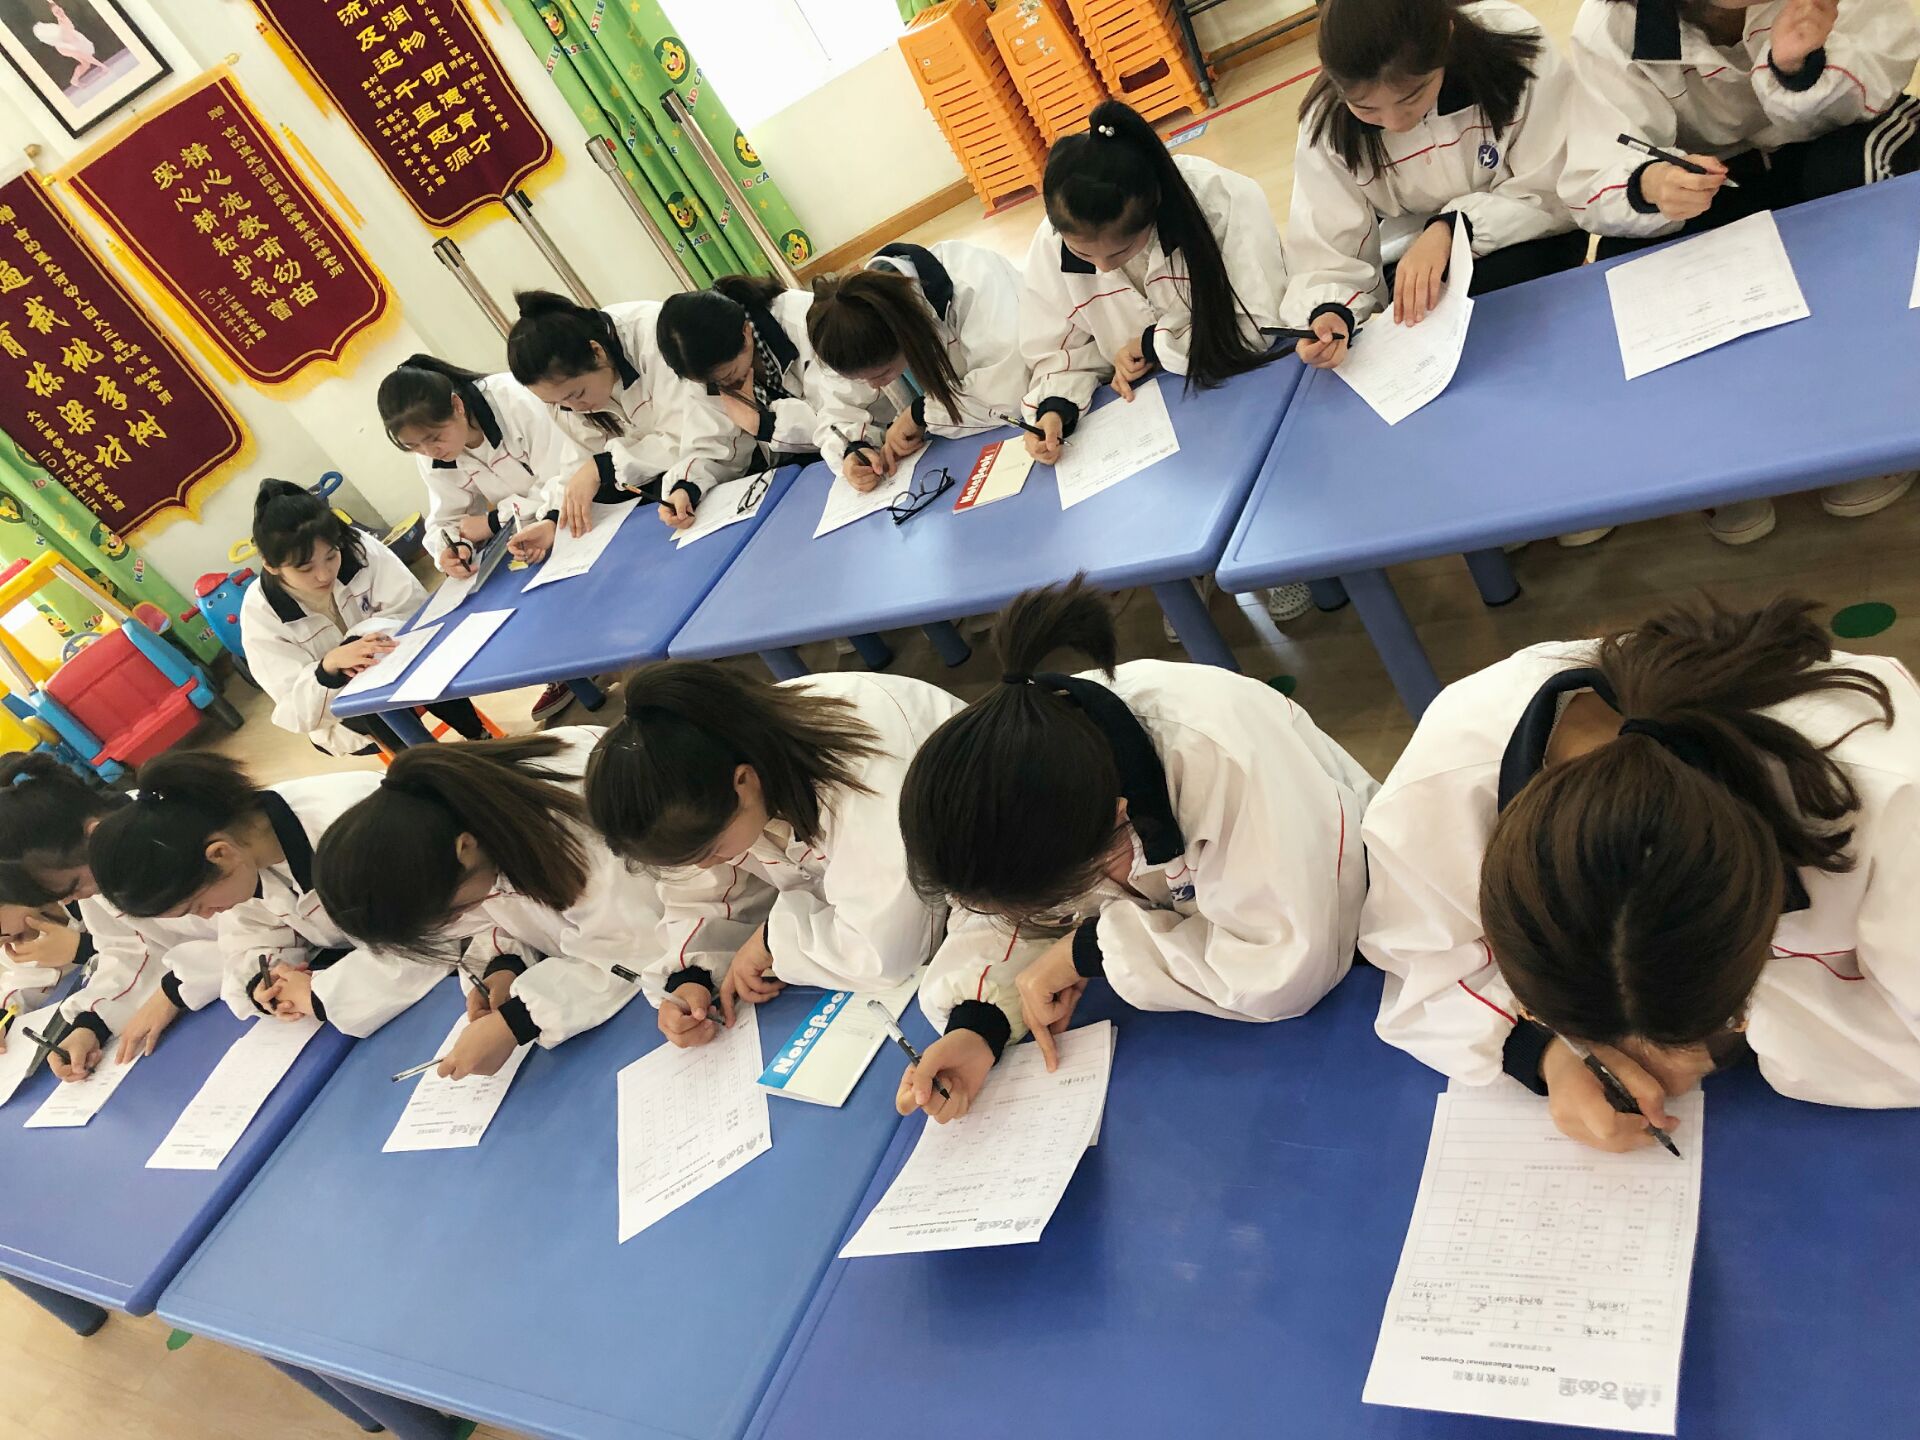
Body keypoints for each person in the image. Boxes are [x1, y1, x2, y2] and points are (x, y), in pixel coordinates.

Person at [1361, 597, 1920, 1151]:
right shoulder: (1442, 782)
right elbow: (1419, 965)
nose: (1640, 1060)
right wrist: (1548, 1053)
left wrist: (1725, 1043)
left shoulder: (1895, 794)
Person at [894, 578, 1378, 1121]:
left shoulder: (1221, 760)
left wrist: (1090, 949)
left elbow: (1286, 969)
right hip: (1198, 948)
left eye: (1054, 902)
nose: (1034, 919)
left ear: (1118, 817)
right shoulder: (1031, 777)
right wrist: (977, 1026)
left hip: (1357, 929)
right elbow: (998, 904)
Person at [1556, 0, 1920, 543]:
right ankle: (1723, 449)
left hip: (1835, 134)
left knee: (1873, 185)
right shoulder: (1612, 26)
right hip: (1714, 175)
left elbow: (1881, 79)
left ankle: (1884, 411)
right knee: (1629, 258)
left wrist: (1798, 69)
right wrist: (1650, 182)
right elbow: (1595, 167)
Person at [1018, 100, 1309, 623]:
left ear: (1151, 211)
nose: (1102, 269)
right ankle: (1188, 563)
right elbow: (1057, 350)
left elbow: (1255, 326)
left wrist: (1157, 345)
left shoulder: (1222, 199)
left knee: (1253, 458)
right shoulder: (1052, 245)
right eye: (1085, 256)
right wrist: (1055, 407)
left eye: (1120, 251)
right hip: (1155, 403)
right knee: (1161, 486)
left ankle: (1275, 544)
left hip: (1242, 377)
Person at [583, 663, 963, 1048]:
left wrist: (771, 940)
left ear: (744, 782)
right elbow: (704, 890)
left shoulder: (864, 776)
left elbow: (885, 953)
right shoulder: (714, 761)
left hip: (981, 889)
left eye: (710, 851)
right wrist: (690, 978)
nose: (706, 866)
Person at [315, 730, 662, 1077]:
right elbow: (502, 909)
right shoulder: (455, 825)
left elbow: (637, 949)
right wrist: (504, 963)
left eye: (451, 914)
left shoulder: (581, 838)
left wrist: (519, 1020)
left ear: (464, 848)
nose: (458, 922)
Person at [1286, 0, 1586, 352]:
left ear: (1447, 35)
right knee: (1426, 315)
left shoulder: (1513, 47)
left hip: (1528, 229)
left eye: (1411, 96)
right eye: (1366, 109)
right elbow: (1326, 251)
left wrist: (1453, 227)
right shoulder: (1326, 123)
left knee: (1504, 294)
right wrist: (1331, 311)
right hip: (1412, 257)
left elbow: (1555, 185)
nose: (1395, 123)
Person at [83, 752, 445, 1037]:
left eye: (197, 905)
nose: (207, 917)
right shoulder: (247, 848)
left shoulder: (352, 827)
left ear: (219, 854)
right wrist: (264, 981)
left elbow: (434, 940)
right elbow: (248, 938)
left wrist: (318, 995)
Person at [378, 353, 601, 720]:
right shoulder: (431, 452)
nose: (429, 452)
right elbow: (445, 519)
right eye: (414, 447)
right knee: (508, 595)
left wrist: (496, 520)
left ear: (457, 405)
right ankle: (570, 666)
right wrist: (452, 549)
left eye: (434, 438)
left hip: (588, 503)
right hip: (532, 530)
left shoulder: (513, 400)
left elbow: (567, 476)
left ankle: (588, 656)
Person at [0, 753, 224, 1080]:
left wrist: (174, 991)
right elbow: (130, 950)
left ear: (95, 834)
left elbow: (253, 926)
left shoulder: (174, 835)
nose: (71, 899)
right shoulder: (96, 866)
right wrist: (92, 1024)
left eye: (72, 887)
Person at [241, 479, 487, 756]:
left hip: (399, 664)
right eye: (305, 568)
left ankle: (479, 738)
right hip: (344, 713)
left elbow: (414, 611)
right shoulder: (261, 613)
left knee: (423, 665)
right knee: (373, 708)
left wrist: (362, 643)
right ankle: (433, 766)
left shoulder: (358, 549)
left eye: (331, 556)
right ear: (270, 565)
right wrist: (329, 669)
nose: (324, 575)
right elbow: (296, 710)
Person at [507, 289, 741, 533]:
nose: (574, 408)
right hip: (683, 484)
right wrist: (553, 521)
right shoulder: (567, 394)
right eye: (558, 404)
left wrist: (606, 465)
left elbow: (702, 434)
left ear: (597, 352)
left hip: (730, 464)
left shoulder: (655, 340)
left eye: (576, 394)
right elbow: (577, 462)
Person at [805, 241, 1028, 491]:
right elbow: (836, 412)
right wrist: (853, 448)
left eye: (882, 373)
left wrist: (920, 413)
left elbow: (1008, 390)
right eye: (861, 380)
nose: (873, 386)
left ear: (908, 337)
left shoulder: (972, 281)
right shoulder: (849, 325)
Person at [657, 276, 887, 489]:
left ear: (746, 334)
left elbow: (844, 411)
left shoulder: (806, 321)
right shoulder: (709, 367)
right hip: (807, 473)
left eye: (727, 376)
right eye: (711, 383)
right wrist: (687, 486)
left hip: (876, 440)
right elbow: (712, 443)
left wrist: (764, 424)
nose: (722, 387)